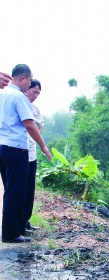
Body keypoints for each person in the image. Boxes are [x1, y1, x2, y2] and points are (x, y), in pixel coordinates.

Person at [0, 64, 51, 243]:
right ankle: (10, 233)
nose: (29, 85)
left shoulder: (2, 94)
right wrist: (44, 147)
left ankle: (13, 230)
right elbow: (29, 124)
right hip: (16, 149)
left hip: (3, 147)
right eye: (29, 81)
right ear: (22, 78)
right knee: (16, 192)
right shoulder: (18, 97)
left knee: (10, 190)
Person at [25, 79, 44, 233]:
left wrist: (36, 135)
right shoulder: (20, 103)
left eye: (38, 93)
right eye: (34, 91)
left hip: (31, 153)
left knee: (29, 189)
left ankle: (25, 221)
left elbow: (40, 124)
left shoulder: (35, 109)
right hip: (19, 151)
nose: (36, 95)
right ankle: (17, 223)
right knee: (19, 189)